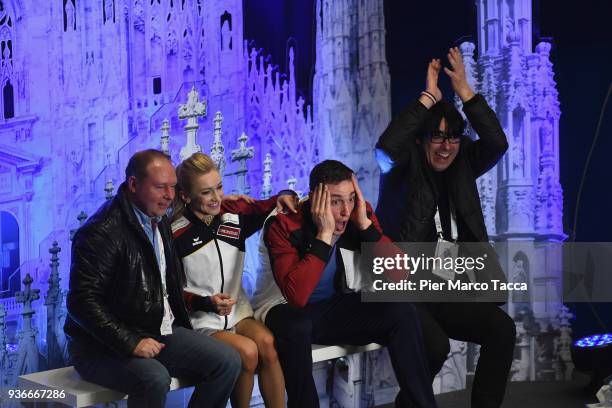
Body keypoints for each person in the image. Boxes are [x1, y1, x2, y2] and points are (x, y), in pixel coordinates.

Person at [376, 47, 516, 408]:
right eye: (437, 137)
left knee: (501, 330)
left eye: (453, 138)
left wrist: (465, 93)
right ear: (421, 140)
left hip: (449, 288)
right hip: (407, 288)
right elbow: (387, 148)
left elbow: (497, 142)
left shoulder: (464, 162)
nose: (446, 147)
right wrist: (428, 97)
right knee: (434, 346)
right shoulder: (403, 169)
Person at [252, 159, 438, 408]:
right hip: (282, 308)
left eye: (351, 198)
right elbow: (298, 296)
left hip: (331, 307)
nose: (345, 210)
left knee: (400, 309)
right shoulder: (283, 223)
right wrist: (324, 235)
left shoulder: (358, 213)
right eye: (335, 201)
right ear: (314, 199)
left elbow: (400, 274)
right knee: (297, 325)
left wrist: (365, 227)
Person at [64, 149, 241, 408]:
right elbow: (81, 302)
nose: (169, 196)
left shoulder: (159, 219)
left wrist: (204, 303)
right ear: (134, 184)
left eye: (172, 187)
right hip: (100, 346)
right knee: (154, 378)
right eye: (160, 187)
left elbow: (160, 289)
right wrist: (131, 342)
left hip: (155, 331)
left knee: (228, 360)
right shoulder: (100, 232)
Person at [171, 152, 296, 408]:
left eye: (219, 187)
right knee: (248, 352)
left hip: (238, 311)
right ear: (185, 195)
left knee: (268, 345)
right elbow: (170, 292)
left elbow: (269, 205)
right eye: (206, 192)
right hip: (201, 320)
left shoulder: (234, 215)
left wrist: (284, 194)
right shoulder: (175, 233)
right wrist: (205, 302)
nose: (216, 198)